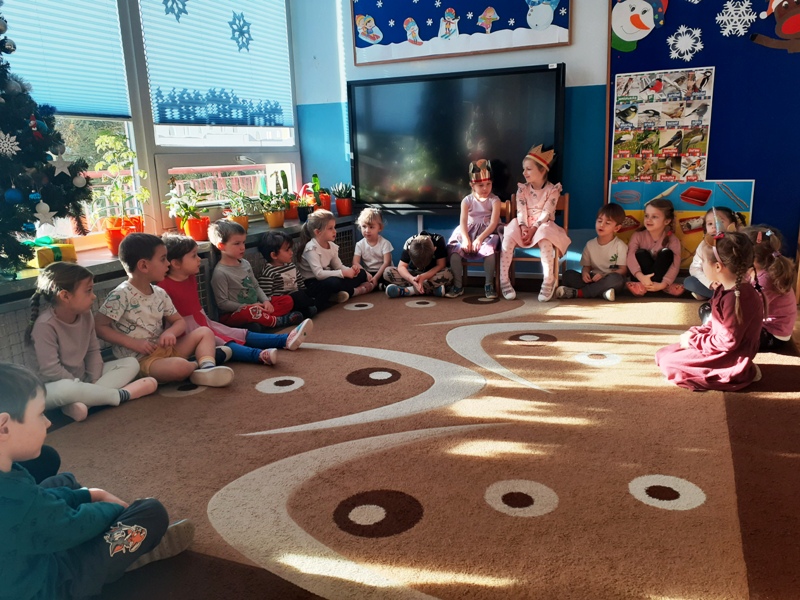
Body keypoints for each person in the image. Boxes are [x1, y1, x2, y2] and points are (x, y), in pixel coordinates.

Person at [0, 362, 195, 600]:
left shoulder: (11, 483)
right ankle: (128, 552)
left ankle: (122, 546)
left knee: (63, 482)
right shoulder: (20, 502)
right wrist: (108, 506)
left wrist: (86, 494)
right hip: (51, 584)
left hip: (24, 551)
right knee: (151, 512)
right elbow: (76, 525)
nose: (48, 422)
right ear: (4, 428)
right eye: (40, 414)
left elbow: (36, 501)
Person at [95, 233, 234, 387]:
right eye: (162, 259)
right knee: (179, 367)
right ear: (144, 266)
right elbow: (99, 327)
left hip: (165, 350)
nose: (168, 263)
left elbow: (179, 321)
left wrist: (170, 332)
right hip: (141, 360)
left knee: (205, 332)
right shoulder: (120, 295)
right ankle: (197, 364)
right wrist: (133, 343)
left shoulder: (159, 292)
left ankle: (208, 368)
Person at [26, 262, 158, 422]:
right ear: (65, 296)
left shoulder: (86, 315)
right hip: (52, 387)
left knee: (131, 363)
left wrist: (94, 380)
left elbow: (93, 351)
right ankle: (122, 395)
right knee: (68, 389)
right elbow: (51, 371)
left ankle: (83, 403)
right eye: (88, 291)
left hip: (83, 379)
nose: (93, 296)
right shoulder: (44, 325)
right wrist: (80, 386)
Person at [159, 234, 313, 366]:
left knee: (239, 333)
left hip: (203, 322)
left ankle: (284, 339)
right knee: (224, 341)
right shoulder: (163, 287)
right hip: (188, 331)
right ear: (176, 263)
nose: (199, 259)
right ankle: (257, 355)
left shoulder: (190, 277)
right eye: (194, 256)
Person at [655, 232, 764, 391]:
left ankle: (741, 372)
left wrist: (694, 341)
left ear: (718, 267)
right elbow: (714, 322)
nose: (702, 265)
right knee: (662, 354)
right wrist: (694, 334)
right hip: (718, 347)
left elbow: (728, 342)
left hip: (730, 356)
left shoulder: (737, 297)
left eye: (704, 261)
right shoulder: (723, 288)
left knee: (668, 363)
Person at [499, 144, 571, 302]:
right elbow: (521, 210)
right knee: (509, 235)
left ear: (542, 170)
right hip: (524, 224)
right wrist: (524, 226)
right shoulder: (522, 190)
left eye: (528, 169)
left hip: (542, 226)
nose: (524, 173)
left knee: (545, 238)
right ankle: (504, 279)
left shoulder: (552, 190)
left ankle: (548, 279)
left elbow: (547, 212)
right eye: (524, 169)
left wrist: (534, 228)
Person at [209, 221, 303, 329]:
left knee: (287, 300)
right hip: (236, 313)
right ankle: (277, 321)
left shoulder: (245, 263)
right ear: (221, 246)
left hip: (257, 306)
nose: (242, 247)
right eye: (237, 243)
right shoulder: (220, 273)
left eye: (243, 242)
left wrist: (266, 301)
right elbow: (222, 303)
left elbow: (256, 286)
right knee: (248, 314)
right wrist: (248, 306)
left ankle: (264, 321)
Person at [445, 159, 501, 299]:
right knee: (455, 252)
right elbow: (463, 221)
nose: (485, 188)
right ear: (472, 185)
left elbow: (493, 223)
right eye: (481, 185)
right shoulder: (467, 201)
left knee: (489, 251)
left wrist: (480, 239)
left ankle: (489, 285)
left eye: (488, 184)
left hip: (487, 233)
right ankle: (458, 286)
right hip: (468, 232)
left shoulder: (495, 200)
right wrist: (466, 239)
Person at [296, 209, 370, 309]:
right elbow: (319, 274)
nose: (335, 231)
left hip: (327, 277)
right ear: (318, 232)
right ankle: (353, 291)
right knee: (334, 283)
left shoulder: (332, 246)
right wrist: (343, 273)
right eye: (330, 228)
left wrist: (351, 271)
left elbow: (338, 266)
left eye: (334, 227)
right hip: (312, 283)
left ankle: (335, 295)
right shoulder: (311, 249)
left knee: (362, 273)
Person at [555, 203, 628, 301]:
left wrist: (604, 275)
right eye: (599, 221)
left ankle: (579, 293)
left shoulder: (620, 246)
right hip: (593, 279)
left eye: (607, 223)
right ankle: (602, 293)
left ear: (616, 228)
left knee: (617, 280)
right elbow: (587, 267)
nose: (601, 225)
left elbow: (623, 270)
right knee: (568, 275)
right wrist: (585, 273)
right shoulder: (590, 244)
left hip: (608, 278)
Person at [744, 226, 797, 352]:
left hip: (773, 335)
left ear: (750, 257)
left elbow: (749, 312)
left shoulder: (765, 279)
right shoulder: (757, 270)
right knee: (709, 310)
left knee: (730, 333)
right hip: (764, 325)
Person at [625, 198, 685, 297]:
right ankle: (645, 285)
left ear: (666, 221)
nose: (648, 220)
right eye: (646, 216)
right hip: (641, 277)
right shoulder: (638, 235)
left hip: (660, 279)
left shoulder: (673, 240)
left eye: (654, 217)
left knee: (666, 253)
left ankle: (662, 287)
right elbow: (630, 257)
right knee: (640, 253)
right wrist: (641, 277)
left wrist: (663, 284)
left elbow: (675, 265)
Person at [683, 206, 746, 301]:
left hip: (734, 283)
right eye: (710, 224)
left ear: (732, 225)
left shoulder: (739, 242)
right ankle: (719, 296)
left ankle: (718, 297)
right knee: (689, 282)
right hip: (715, 284)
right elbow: (694, 268)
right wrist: (710, 282)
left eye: (720, 222)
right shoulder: (704, 245)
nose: (714, 226)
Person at [256, 231, 318, 319]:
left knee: (311, 298)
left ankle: (301, 310)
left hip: (297, 298)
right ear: (274, 255)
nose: (291, 252)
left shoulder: (291, 266)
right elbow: (266, 296)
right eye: (287, 250)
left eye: (290, 249)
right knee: (299, 298)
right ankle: (288, 315)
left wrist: (305, 294)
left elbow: (300, 283)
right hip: (284, 302)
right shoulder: (269, 272)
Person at [384, 232, 453, 298]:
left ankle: (409, 290)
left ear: (434, 249)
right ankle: (430, 290)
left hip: (431, 274)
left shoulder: (438, 240)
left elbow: (441, 265)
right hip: (414, 274)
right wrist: (412, 279)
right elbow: (401, 266)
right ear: (409, 251)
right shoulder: (409, 243)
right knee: (387, 272)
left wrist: (423, 277)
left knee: (448, 273)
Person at [352, 207, 393, 292]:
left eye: (371, 227)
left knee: (390, 272)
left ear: (379, 228)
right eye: (364, 226)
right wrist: (366, 274)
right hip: (368, 273)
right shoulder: (359, 244)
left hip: (382, 272)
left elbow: (387, 262)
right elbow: (355, 262)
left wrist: (376, 277)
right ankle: (372, 286)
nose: (367, 230)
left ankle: (375, 285)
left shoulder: (385, 243)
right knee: (354, 273)